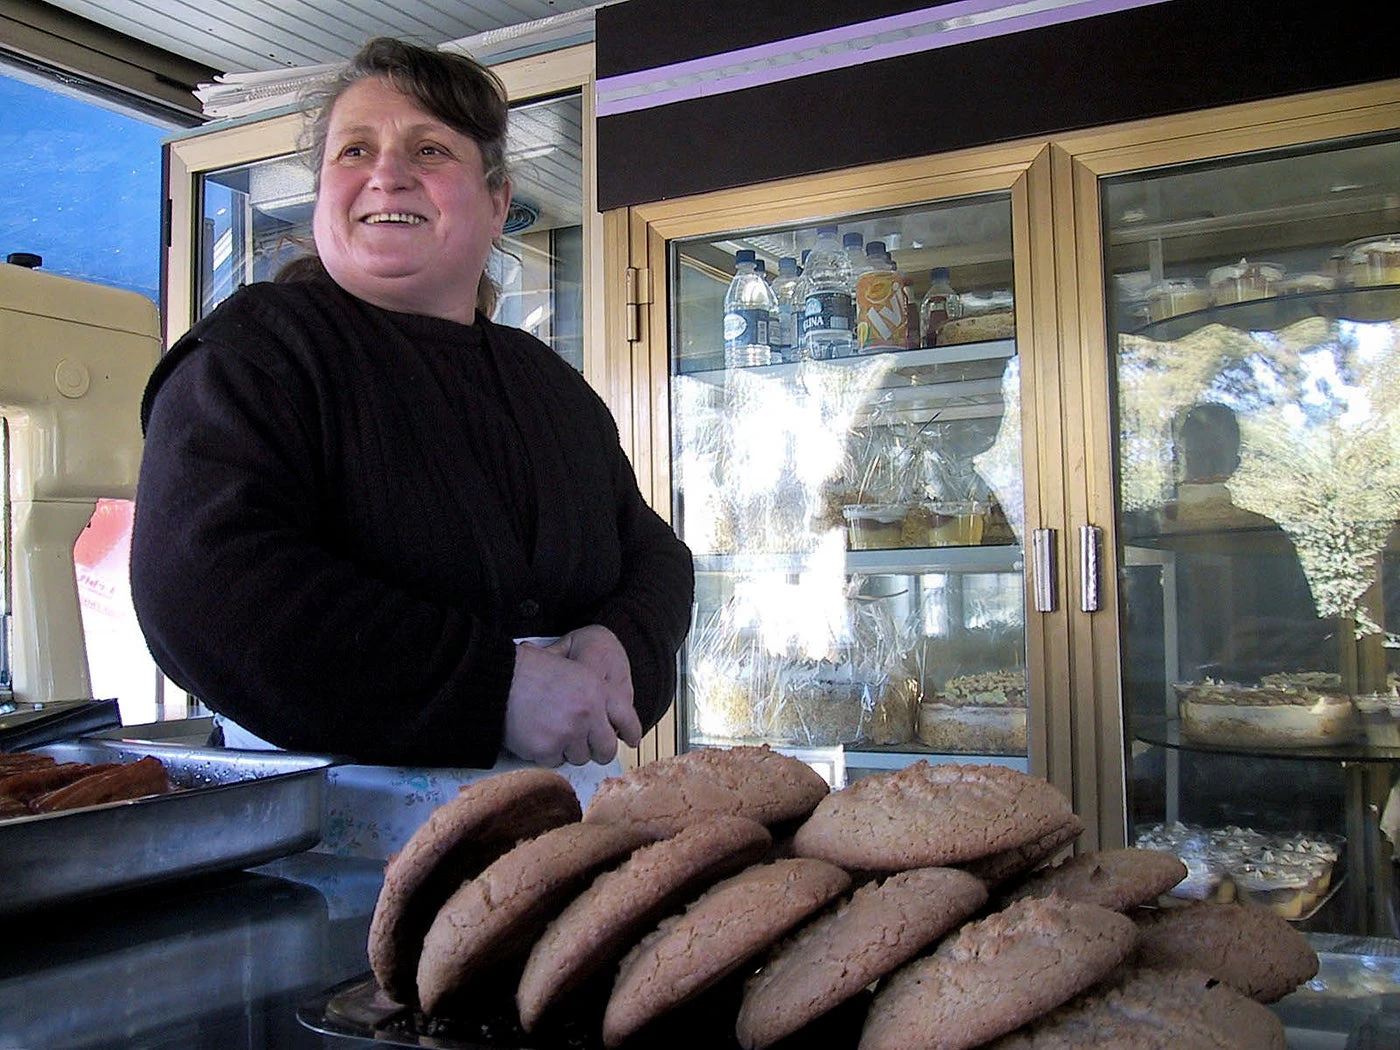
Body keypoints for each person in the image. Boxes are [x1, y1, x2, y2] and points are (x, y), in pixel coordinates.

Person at [130, 38, 694, 789]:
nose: (386, 173)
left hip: (564, 838)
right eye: (353, 151)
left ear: (497, 202)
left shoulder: (553, 388)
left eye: (429, 149)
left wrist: (621, 645)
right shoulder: (254, 355)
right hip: (326, 864)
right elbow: (204, 584)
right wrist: (493, 687)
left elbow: (654, 556)